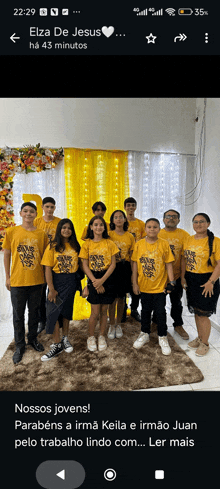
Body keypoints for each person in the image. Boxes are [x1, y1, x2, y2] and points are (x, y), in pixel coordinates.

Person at [2, 202, 48, 364]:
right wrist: (7, 277)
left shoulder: (42, 234)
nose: (29, 214)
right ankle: (20, 345)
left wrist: (45, 278)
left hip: (37, 281)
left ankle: (32, 339)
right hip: (18, 281)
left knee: (34, 313)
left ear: (36, 215)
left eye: (32, 212)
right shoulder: (12, 232)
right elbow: (7, 255)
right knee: (18, 315)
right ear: (20, 213)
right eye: (26, 211)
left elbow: (45, 257)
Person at [131, 218, 175, 355]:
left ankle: (162, 336)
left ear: (159, 229)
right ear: (145, 229)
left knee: (160, 312)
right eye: (149, 227)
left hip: (159, 287)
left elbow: (169, 264)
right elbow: (134, 265)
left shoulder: (164, 244)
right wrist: (134, 283)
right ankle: (144, 333)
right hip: (144, 286)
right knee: (145, 311)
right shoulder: (139, 244)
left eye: (155, 227)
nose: (152, 229)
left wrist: (172, 282)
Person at [40, 218, 81, 361]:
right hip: (56, 282)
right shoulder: (52, 246)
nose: (66, 230)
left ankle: (65, 339)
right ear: (59, 229)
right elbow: (47, 269)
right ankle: (57, 345)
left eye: (69, 228)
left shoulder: (76, 246)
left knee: (66, 313)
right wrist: (51, 289)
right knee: (53, 313)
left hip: (70, 282)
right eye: (63, 227)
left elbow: (82, 267)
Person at [181, 213, 220, 356]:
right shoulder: (188, 240)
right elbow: (184, 259)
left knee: (203, 314)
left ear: (208, 224)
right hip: (191, 279)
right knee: (196, 312)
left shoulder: (216, 241)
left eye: (202, 222)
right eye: (195, 222)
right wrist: (183, 277)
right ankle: (199, 337)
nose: (198, 224)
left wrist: (211, 282)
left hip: (207, 280)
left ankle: (205, 343)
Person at [79, 215, 119, 352]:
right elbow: (84, 265)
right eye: (95, 225)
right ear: (91, 227)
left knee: (104, 311)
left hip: (108, 278)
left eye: (101, 225)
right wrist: (95, 282)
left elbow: (113, 264)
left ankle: (101, 336)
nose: (98, 227)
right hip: (93, 277)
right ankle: (91, 337)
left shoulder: (110, 243)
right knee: (95, 312)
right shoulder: (87, 244)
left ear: (104, 227)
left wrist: (102, 281)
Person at [151, 209, 190, 339]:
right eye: (168, 216)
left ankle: (178, 324)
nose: (171, 218)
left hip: (177, 276)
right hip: (159, 276)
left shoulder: (185, 235)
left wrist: (183, 277)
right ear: (163, 219)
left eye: (174, 217)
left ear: (178, 220)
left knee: (176, 302)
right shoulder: (157, 233)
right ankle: (155, 323)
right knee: (157, 303)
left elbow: (185, 258)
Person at [34, 196, 61, 334]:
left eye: (52, 207)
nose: (49, 209)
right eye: (47, 207)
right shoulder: (36, 222)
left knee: (54, 292)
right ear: (42, 208)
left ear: (54, 208)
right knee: (40, 294)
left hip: (54, 263)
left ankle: (56, 319)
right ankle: (41, 321)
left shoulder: (59, 222)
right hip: (39, 262)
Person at [108, 210, 135, 339]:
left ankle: (118, 324)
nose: (118, 219)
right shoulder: (108, 235)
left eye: (121, 217)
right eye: (116, 217)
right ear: (112, 220)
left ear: (125, 219)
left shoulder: (130, 236)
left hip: (125, 268)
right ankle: (111, 324)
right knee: (112, 298)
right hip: (111, 267)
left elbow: (132, 255)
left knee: (121, 298)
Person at [124, 197, 146, 322]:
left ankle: (134, 309)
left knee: (136, 286)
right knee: (124, 286)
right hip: (124, 260)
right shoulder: (121, 222)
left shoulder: (141, 224)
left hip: (137, 260)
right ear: (125, 208)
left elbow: (144, 242)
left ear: (136, 207)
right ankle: (123, 309)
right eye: (128, 205)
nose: (130, 208)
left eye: (133, 205)